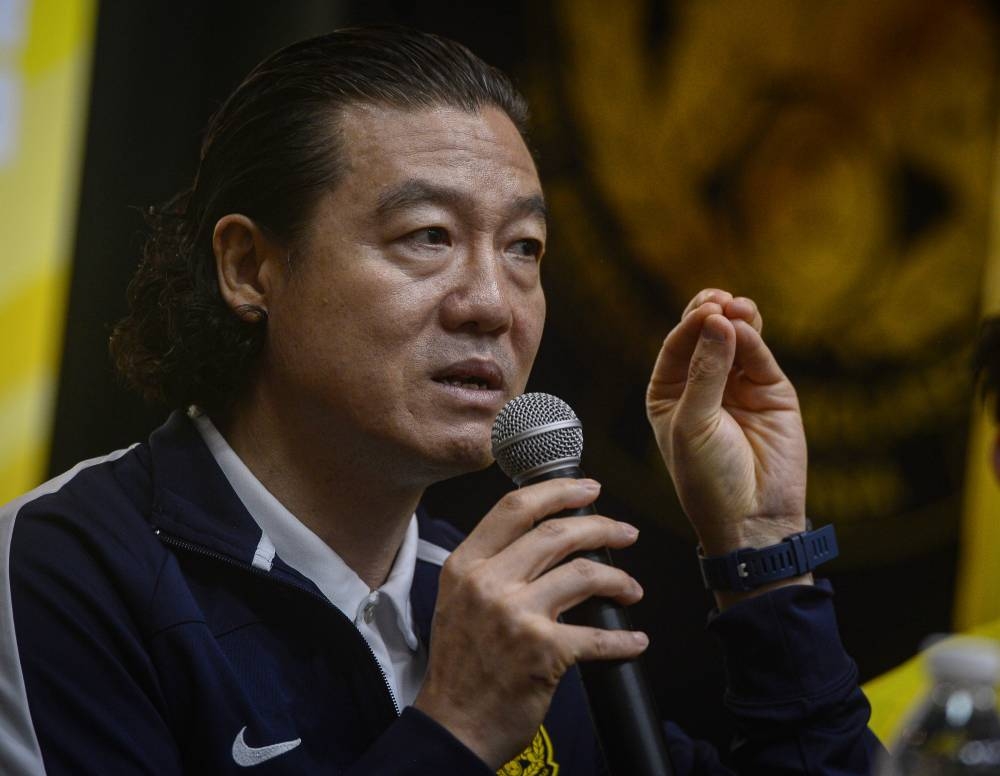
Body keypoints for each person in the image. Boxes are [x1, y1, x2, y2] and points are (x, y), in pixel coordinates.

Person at [0, 26, 881, 774]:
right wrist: (455, 731)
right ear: (248, 268)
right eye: (428, 236)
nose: (492, 303)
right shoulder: (67, 568)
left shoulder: (505, 599)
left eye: (525, 248)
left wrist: (764, 551)